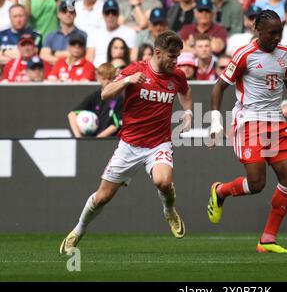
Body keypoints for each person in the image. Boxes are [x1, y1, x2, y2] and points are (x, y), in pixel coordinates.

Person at [207, 10, 287, 253]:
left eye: (280, 32)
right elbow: (218, 87)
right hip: (249, 122)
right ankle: (220, 190)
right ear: (258, 30)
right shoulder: (245, 54)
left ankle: (267, 239)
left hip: (276, 122)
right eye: (272, 33)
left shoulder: (285, 55)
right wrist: (215, 122)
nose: (277, 37)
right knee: (256, 184)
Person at [60, 30, 193, 253]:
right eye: (172, 56)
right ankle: (78, 229)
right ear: (158, 52)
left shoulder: (176, 75)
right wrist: (127, 81)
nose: (175, 61)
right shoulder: (136, 70)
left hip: (158, 143)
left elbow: (186, 91)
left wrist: (188, 112)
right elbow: (105, 94)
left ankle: (169, 211)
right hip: (130, 145)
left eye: (178, 56)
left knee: (163, 181)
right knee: (102, 197)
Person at [67, 62, 124, 137]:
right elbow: (72, 114)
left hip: (110, 140)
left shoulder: (119, 97)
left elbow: (115, 125)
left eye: (110, 78)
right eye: (104, 78)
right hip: (93, 138)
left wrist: (97, 139)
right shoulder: (95, 96)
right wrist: (78, 138)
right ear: (98, 78)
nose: (107, 82)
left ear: (115, 78)